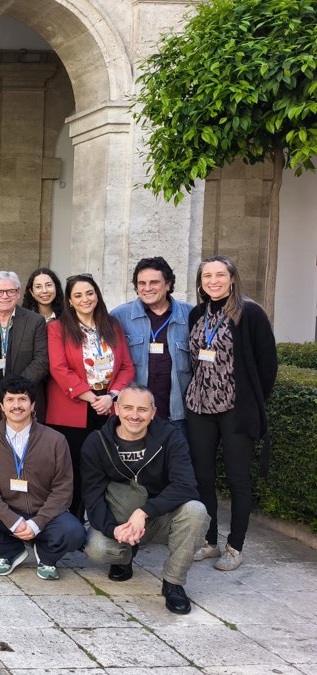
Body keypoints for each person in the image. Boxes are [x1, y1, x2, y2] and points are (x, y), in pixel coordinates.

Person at [82, 386, 208, 614]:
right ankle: (124, 558)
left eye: (142, 409)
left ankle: (173, 583)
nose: (134, 415)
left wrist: (144, 512)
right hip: (119, 521)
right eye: (128, 408)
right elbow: (93, 496)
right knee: (97, 548)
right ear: (117, 409)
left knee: (196, 511)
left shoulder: (170, 437)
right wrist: (113, 530)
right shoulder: (97, 442)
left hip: (159, 518)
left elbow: (186, 485)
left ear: (153, 413)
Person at [186, 256, 277, 571]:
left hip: (236, 409)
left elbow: (267, 365)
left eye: (220, 275)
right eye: (207, 276)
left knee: (238, 479)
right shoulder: (197, 313)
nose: (213, 281)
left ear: (232, 278)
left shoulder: (250, 313)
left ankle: (235, 547)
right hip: (199, 406)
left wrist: (251, 401)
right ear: (200, 282)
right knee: (202, 477)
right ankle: (209, 541)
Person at [0, 375, 83, 579]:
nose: (16, 405)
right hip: (8, 512)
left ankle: (46, 555)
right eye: (10, 399)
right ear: (1, 406)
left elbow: (63, 489)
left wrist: (37, 523)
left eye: (22, 399)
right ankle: (10, 551)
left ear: (33, 405)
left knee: (74, 532)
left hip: (44, 512)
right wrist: (13, 521)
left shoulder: (55, 440)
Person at [47, 273, 134, 518]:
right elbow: (58, 368)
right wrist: (92, 398)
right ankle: (72, 522)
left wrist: (111, 396)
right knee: (73, 469)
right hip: (73, 408)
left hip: (108, 406)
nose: (85, 299)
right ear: (69, 301)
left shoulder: (112, 325)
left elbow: (127, 366)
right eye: (78, 295)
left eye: (89, 293)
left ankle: (101, 521)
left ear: (97, 295)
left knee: (104, 467)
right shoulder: (57, 328)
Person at [111, 257, 194, 430]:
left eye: (154, 282)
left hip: (178, 415)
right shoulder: (119, 316)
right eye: (142, 283)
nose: (147, 288)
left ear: (168, 284)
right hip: (134, 416)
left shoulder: (190, 315)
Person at [0, 271, 49, 421]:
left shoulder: (35, 321)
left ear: (18, 293)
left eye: (10, 291)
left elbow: (41, 361)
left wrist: (12, 393)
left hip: (26, 402)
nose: (4, 296)